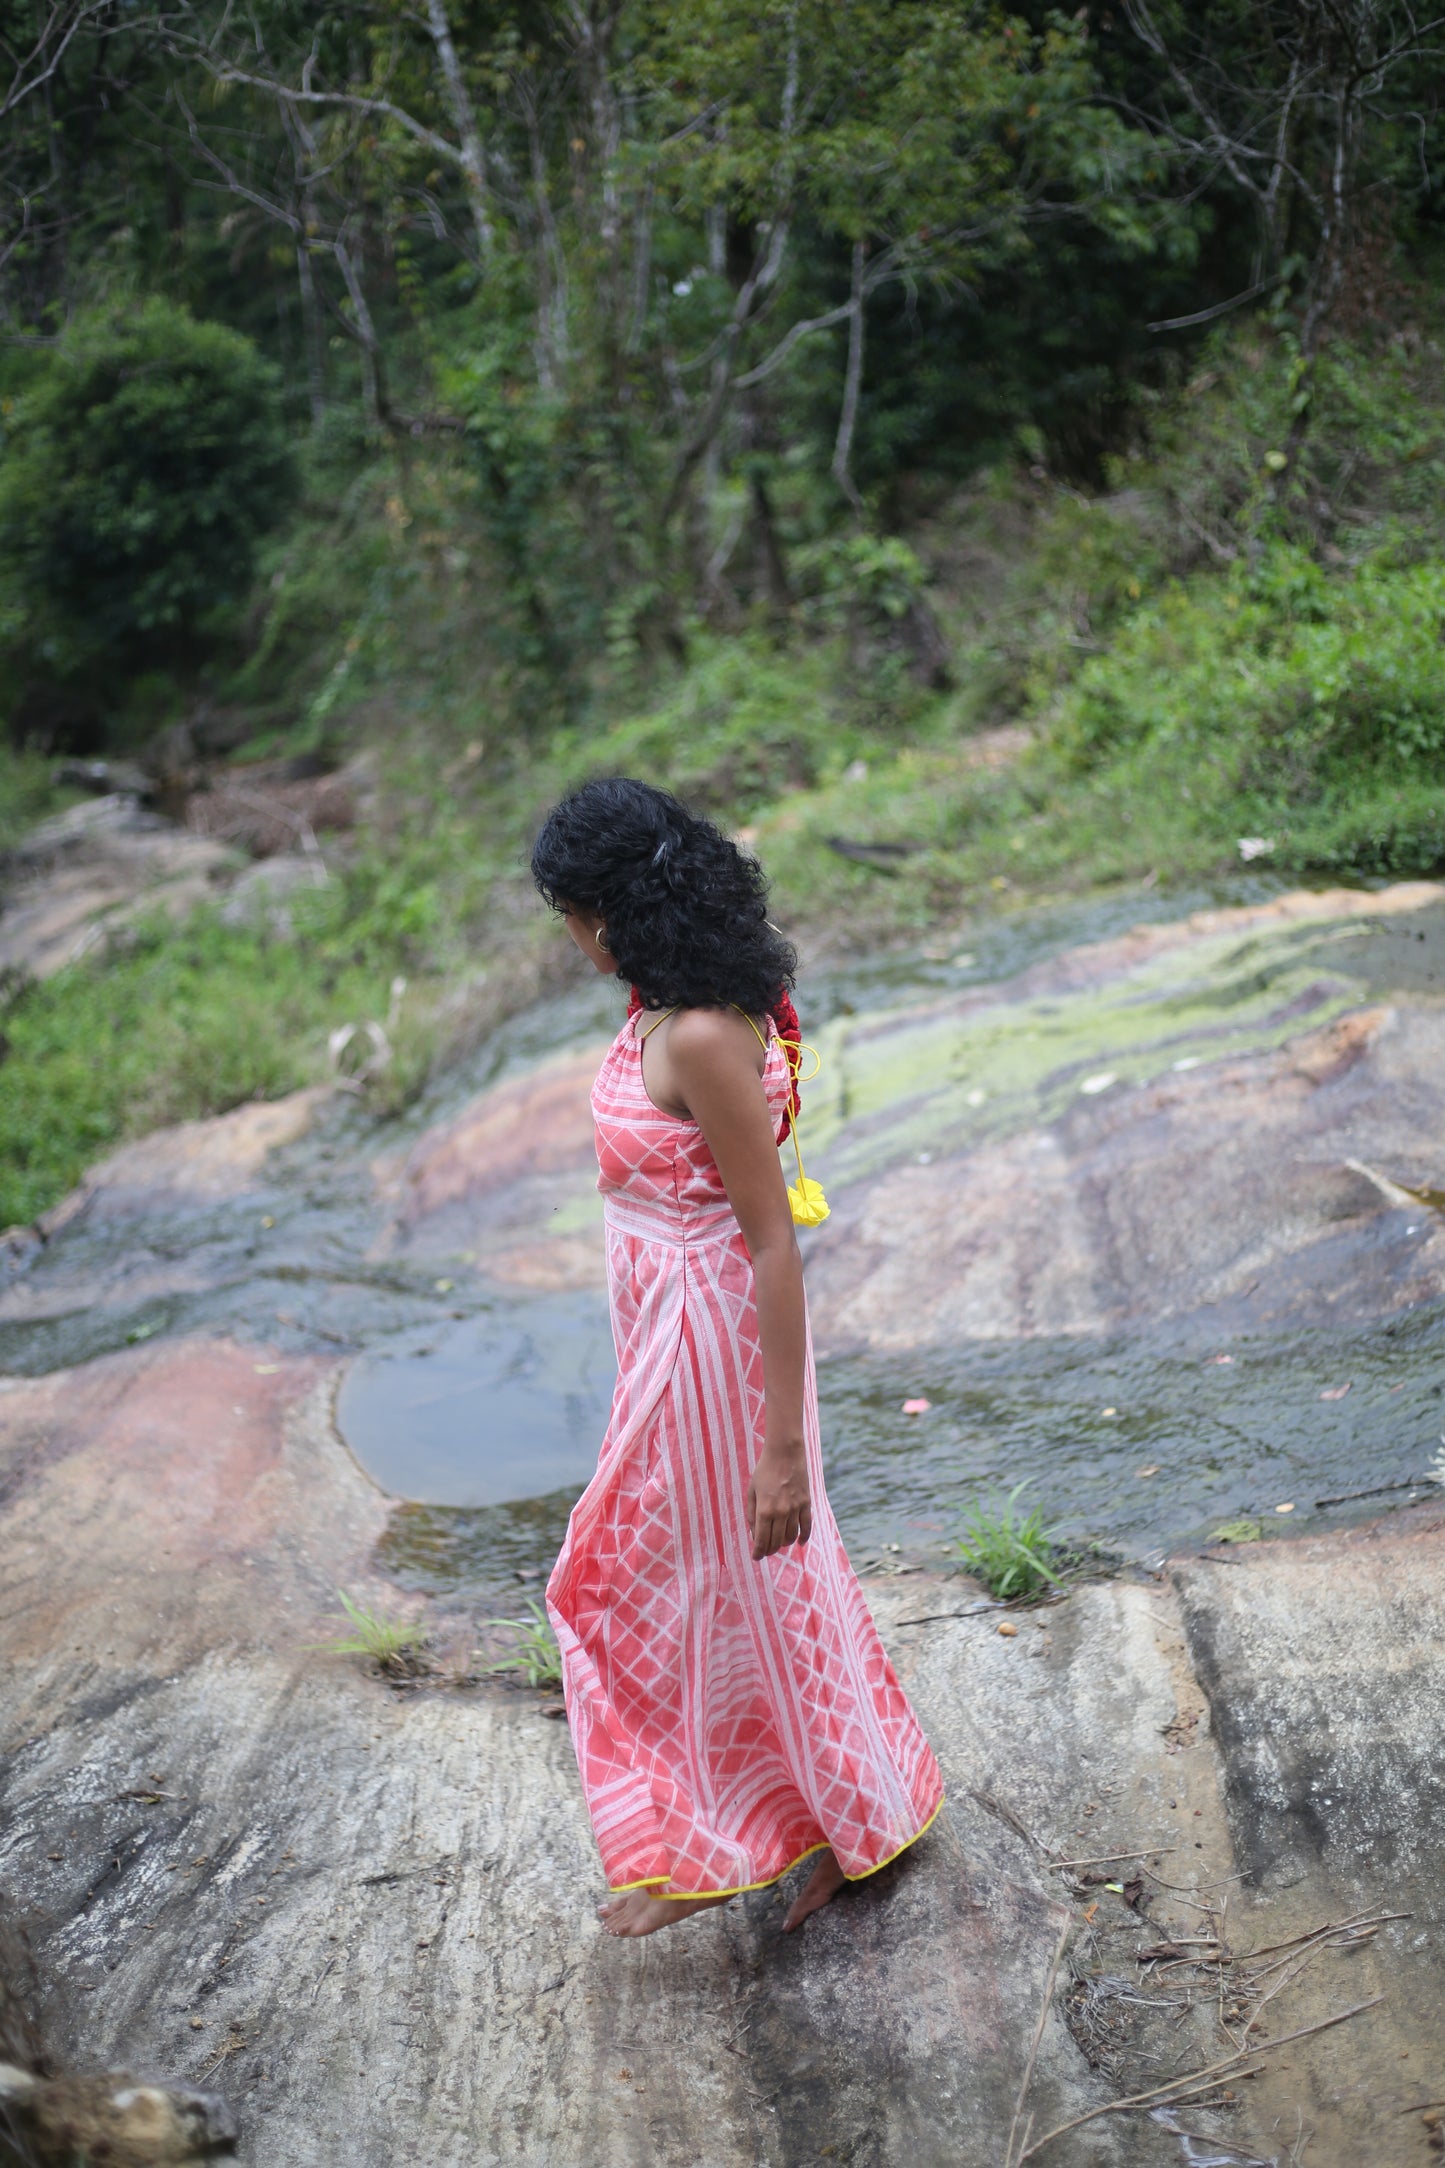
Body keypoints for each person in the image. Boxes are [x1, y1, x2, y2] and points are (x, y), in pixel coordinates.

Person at [531, 778, 943, 1939]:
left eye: (567, 910)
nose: (567, 934)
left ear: (605, 913)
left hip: (711, 1350)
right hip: (668, 1332)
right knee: (729, 1584)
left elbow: (770, 1239)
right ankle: (799, 1825)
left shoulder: (702, 1031)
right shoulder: (669, 999)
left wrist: (779, 1445)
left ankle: (784, 1828)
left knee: (643, 1577)